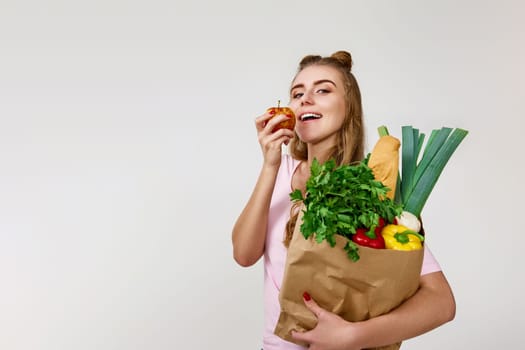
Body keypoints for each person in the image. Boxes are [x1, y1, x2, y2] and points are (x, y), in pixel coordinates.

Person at [232, 51, 456, 350]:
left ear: (349, 107)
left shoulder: (370, 188)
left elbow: (441, 302)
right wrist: (270, 165)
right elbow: (244, 254)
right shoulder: (280, 172)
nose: (305, 99)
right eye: (297, 93)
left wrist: (352, 336)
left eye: (322, 90)